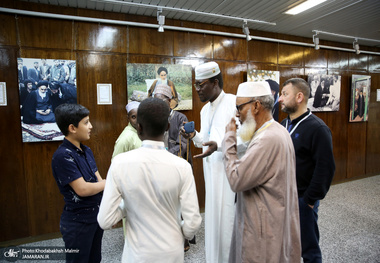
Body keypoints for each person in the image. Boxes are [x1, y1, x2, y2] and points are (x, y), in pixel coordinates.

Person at [98, 97, 202, 263]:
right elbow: (193, 222)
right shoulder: (182, 167)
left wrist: (128, 205)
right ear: (167, 127)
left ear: (138, 127)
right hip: (172, 252)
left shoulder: (119, 164)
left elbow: (105, 220)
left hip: (137, 254)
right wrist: (181, 234)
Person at [222, 81, 301, 262]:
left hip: (262, 230)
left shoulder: (267, 139)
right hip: (273, 221)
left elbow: (236, 180)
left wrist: (229, 139)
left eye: (239, 107)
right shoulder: (277, 131)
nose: (237, 114)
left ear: (256, 106)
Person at [180, 61, 245, 263]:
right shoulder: (204, 110)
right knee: (214, 226)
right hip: (211, 177)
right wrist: (194, 136)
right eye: (195, 85)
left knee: (228, 226)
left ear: (215, 82)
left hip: (230, 179)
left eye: (201, 84)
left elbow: (247, 140)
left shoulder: (235, 103)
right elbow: (206, 142)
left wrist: (220, 144)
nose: (197, 89)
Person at [278, 78, 336, 263]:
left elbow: (325, 168)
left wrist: (310, 199)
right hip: (282, 197)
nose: (280, 99)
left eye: (285, 94)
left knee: (308, 249)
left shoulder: (317, 129)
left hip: (303, 199)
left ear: (299, 97)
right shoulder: (281, 125)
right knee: (286, 245)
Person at [51, 103, 105, 263]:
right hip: (78, 222)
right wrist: (111, 182)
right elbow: (83, 189)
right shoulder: (62, 155)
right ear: (72, 128)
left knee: (94, 259)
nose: (91, 126)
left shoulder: (86, 150)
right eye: (86, 122)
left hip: (95, 217)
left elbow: (98, 180)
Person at [153, 84, 194, 251]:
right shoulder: (155, 117)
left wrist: (164, 154)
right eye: (154, 101)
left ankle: (183, 240)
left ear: (169, 101)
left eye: (160, 101)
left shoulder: (180, 117)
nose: (157, 104)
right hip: (158, 168)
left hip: (177, 167)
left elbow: (183, 144)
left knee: (179, 204)